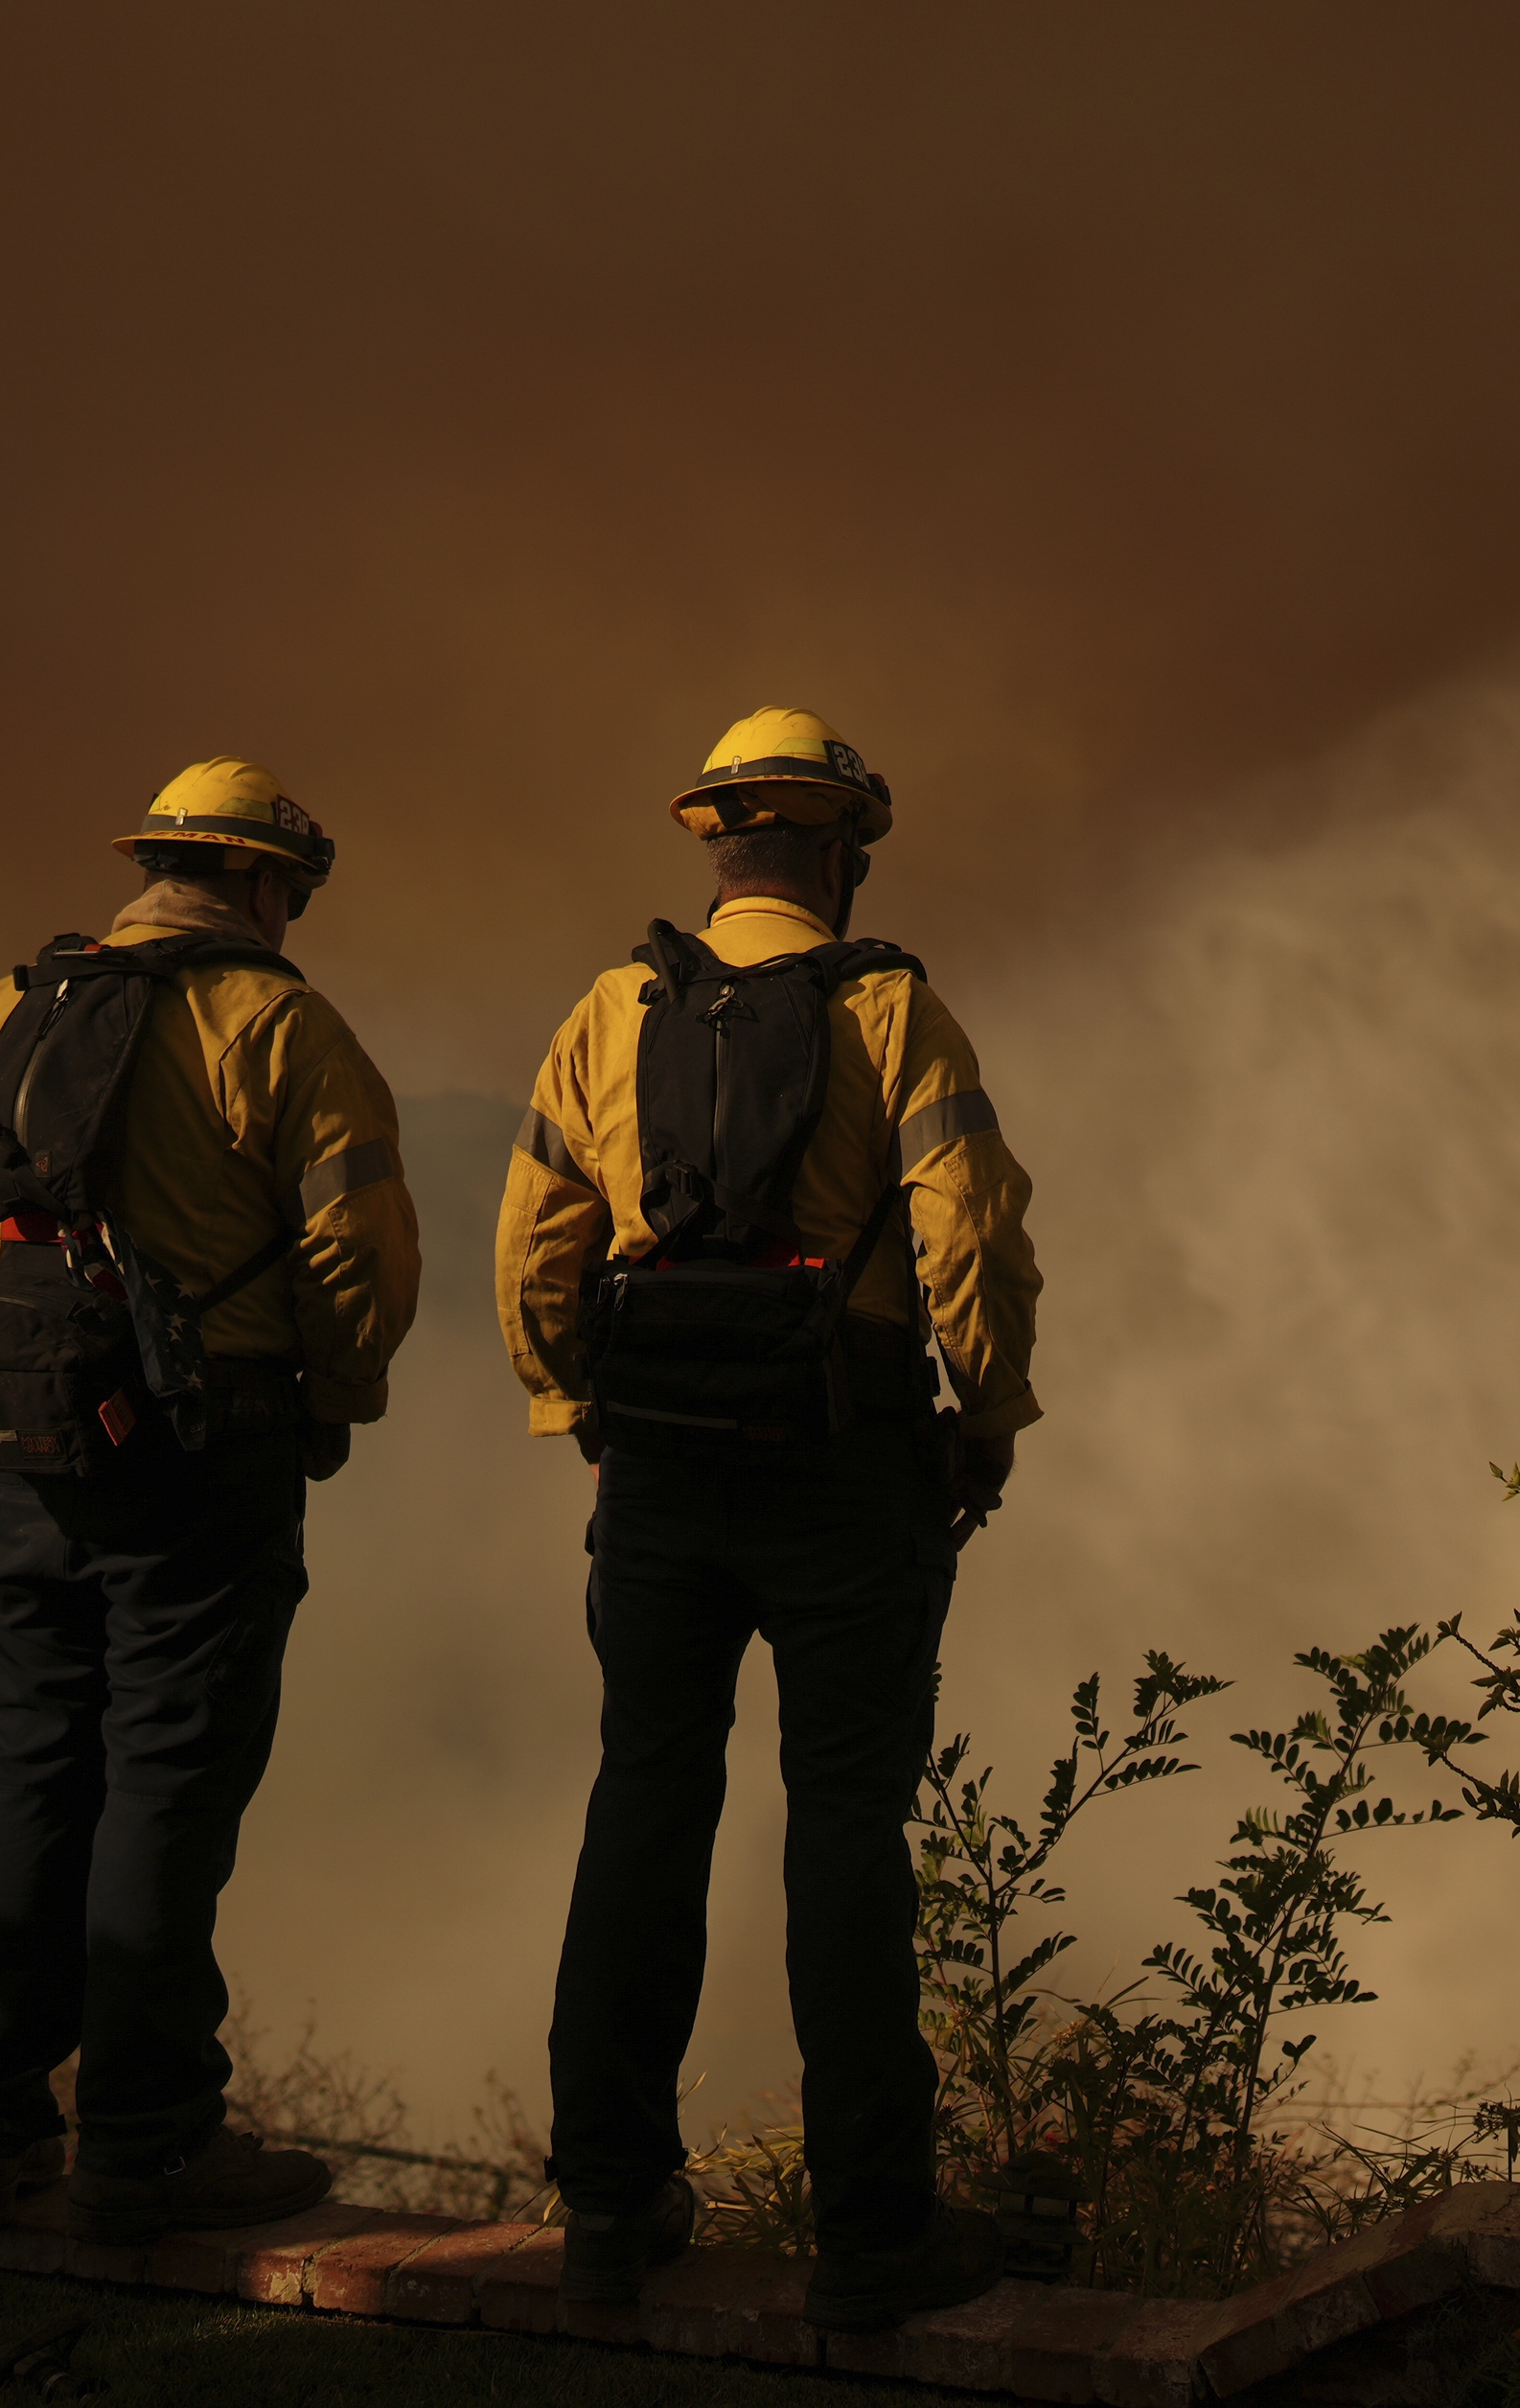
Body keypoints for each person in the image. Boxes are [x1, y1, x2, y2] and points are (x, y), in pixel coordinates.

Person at [499, 706, 1041, 2329]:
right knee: (845, 1837)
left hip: (658, 1473)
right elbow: (973, 1247)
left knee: (643, 1810)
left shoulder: (611, 1011)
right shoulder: (894, 1012)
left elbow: (535, 1243)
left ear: (718, 844)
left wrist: (578, 1415)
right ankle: (873, 2240)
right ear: (844, 850)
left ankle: (605, 2207)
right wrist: (990, 1420)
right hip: (850, 1468)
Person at [0, 757, 419, 2244]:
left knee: (34, 1766)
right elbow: (359, 1258)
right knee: (167, 1782)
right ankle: (146, 2137)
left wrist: (14, 1352)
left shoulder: (5, 1009)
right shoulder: (285, 1025)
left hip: (17, 1467)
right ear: (263, 883)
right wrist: (332, 1393)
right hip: (201, 1461)